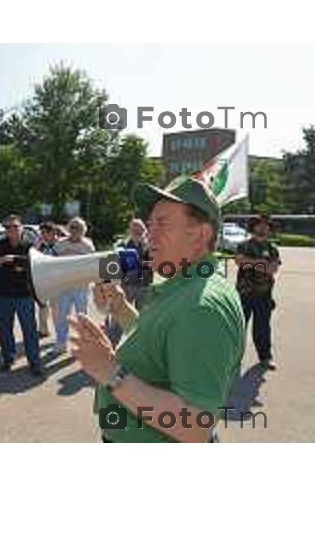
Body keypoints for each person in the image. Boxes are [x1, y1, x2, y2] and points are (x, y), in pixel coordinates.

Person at [70, 175, 245, 443]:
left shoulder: (201, 306)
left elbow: (195, 426)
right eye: (150, 223)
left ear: (200, 234)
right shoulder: (184, 286)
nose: (150, 232)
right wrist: (121, 309)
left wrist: (110, 372)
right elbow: (162, 342)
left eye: (162, 223)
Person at [0, 214, 43, 376]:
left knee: (30, 331)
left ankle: (34, 362)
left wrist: (12, 259)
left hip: (24, 295)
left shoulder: (29, 245)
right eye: (8, 227)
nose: (11, 230)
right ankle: (8, 358)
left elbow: (35, 263)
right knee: (3, 329)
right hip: (1, 295)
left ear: (21, 228)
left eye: (15, 226)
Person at [235, 214, 281, 371]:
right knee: (239, 327)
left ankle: (265, 357)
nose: (263, 228)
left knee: (262, 328)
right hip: (244, 293)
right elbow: (239, 261)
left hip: (264, 294)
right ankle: (233, 358)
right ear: (253, 227)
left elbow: (273, 269)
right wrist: (260, 263)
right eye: (260, 225)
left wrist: (251, 263)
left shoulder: (272, 248)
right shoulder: (244, 245)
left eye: (266, 225)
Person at [106, 218, 152, 347]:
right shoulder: (121, 245)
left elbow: (157, 264)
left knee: (142, 320)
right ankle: (110, 346)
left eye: (140, 229)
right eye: (134, 229)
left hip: (145, 286)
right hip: (125, 287)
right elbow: (110, 264)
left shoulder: (151, 245)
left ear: (144, 230)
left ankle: (138, 348)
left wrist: (148, 250)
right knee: (118, 318)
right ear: (129, 231)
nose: (138, 231)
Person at [52, 217, 95, 354]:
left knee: (82, 317)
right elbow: (51, 263)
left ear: (83, 231)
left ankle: (83, 344)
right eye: (73, 227)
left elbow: (92, 265)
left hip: (80, 288)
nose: (75, 230)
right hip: (63, 286)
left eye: (78, 228)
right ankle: (61, 344)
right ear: (69, 228)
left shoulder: (88, 245)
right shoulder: (59, 244)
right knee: (61, 317)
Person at [35, 222, 59, 339]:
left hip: (58, 281)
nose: (42, 235)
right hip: (44, 280)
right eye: (41, 232)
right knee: (42, 306)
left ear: (53, 232)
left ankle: (60, 333)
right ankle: (43, 330)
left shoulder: (61, 245)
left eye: (45, 232)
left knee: (57, 309)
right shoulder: (41, 245)